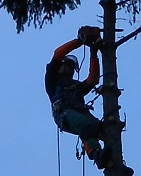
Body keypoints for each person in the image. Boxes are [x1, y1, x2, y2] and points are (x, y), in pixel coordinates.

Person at [45, 24, 109, 168]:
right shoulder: (52, 81)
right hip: (64, 113)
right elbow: (58, 54)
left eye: (71, 67)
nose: (69, 69)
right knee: (84, 125)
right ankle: (96, 154)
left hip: (81, 112)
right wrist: (80, 41)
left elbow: (93, 79)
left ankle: (114, 163)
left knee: (105, 129)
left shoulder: (76, 86)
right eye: (66, 65)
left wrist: (93, 53)